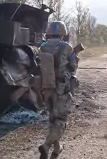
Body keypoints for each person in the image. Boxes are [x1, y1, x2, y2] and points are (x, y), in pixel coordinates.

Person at [38, 21, 80, 159]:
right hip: (62, 88)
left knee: (52, 118)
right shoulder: (66, 47)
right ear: (63, 33)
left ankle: (57, 148)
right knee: (61, 119)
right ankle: (46, 145)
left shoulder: (42, 47)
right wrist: (76, 55)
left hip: (47, 87)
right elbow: (73, 66)